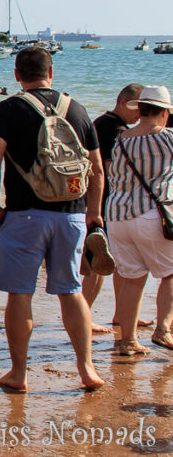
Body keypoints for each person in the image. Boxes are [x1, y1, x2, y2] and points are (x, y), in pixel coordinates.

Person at [0, 46, 104, 391]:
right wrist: (93, 213)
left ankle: (18, 374)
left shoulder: (8, 109)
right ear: (52, 72)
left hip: (24, 215)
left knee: (20, 294)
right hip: (72, 216)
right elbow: (96, 168)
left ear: (17, 74)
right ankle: (87, 369)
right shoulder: (76, 109)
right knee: (72, 292)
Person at [104, 85, 173, 355]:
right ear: (164, 113)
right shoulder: (168, 138)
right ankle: (164, 329)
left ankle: (128, 340)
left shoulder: (121, 140)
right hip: (152, 214)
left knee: (132, 278)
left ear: (140, 109)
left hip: (118, 216)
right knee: (170, 273)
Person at [83, 83, 144, 335]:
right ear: (124, 102)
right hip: (105, 203)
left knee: (118, 262)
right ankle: (83, 315)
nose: (139, 115)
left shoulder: (102, 122)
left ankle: (122, 314)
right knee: (98, 264)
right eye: (137, 108)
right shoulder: (116, 129)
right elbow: (111, 171)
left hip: (100, 201)